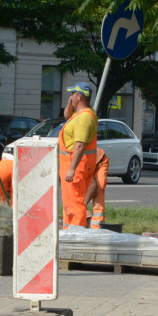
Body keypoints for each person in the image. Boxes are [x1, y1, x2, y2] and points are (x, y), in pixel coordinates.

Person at [58, 82, 98, 229]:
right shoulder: (80, 114)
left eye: (72, 94)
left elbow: (80, 145)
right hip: (75, 164)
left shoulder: (84, 118)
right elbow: (67, 115)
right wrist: (70, 103)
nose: (70, 97)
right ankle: (69, 232)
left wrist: (71, 169)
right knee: (70, 203)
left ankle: (76, 236)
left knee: (74, 204)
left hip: (76, 166)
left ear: (79, 96)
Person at [85, 148, 109, 229]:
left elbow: (93, 186)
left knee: (99, 189)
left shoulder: (80, 163)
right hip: (89, 162)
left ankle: (98, 226)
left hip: (101, 161)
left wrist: (84, 203)